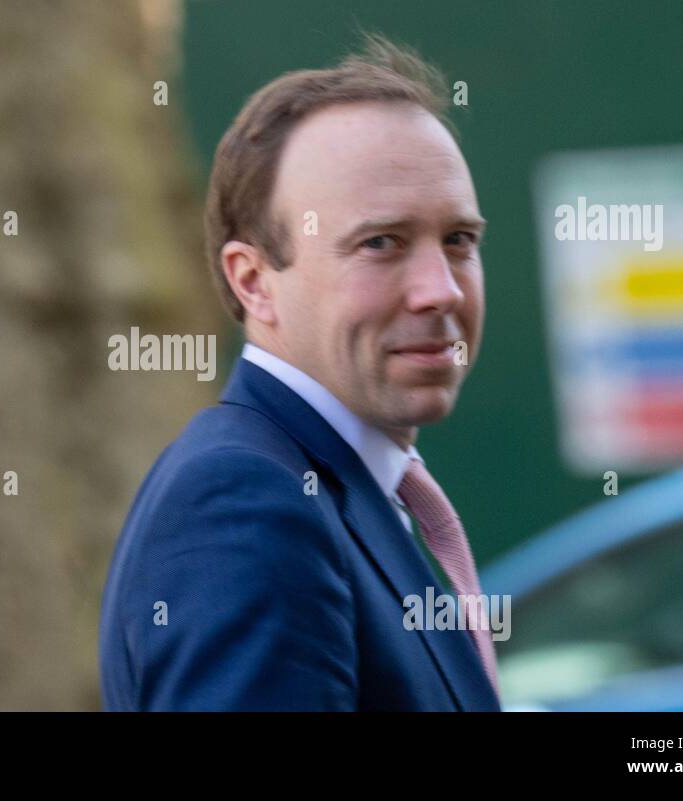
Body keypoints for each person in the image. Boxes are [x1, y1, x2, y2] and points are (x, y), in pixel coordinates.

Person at [99, 34, 500, 711]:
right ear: (254, 282)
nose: (442, 290)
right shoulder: (243, 498)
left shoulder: (330, 485)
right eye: (381, 243)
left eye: (458, 240)